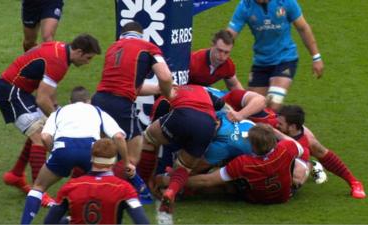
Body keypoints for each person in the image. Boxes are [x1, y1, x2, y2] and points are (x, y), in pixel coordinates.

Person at [0, 34, 101, 206]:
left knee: (42, 129)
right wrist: (59, 119)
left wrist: (56, 107)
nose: (87, 63)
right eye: (88, 58)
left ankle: (15, 175)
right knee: (38, 135)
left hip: (20, 90)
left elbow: (49, 87)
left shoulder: (60, 49)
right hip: (11, 92)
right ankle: (39, 192)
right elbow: (42, 99)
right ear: (79, 52)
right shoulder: (59, 62)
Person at [20, 86, 129, 224]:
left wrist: (55, 153)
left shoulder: (58, 112)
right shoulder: (97, 110)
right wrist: (126, 162)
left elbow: (45, 137)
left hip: (63, 149)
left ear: (70, 102)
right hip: (90, 150)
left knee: (38, 187)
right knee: (104, 187)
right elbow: (119, 137)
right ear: (89, 101)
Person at [157, 124, 308, 204]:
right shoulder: (286, 148)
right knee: (302, 167)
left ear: (253, 146)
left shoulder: (244, 163)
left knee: (221, 182)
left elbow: (206, 181)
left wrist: (170, 181)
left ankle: (182, 191)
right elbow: (300, 148)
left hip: (256, 198)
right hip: (283, 196)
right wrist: (273, 132)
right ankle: (309, 172)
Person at [92, 21, 173, 166]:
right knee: (133, 153)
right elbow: (166, 77)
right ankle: (121, 186)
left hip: (99, 101)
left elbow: (128, 85)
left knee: (102, 150)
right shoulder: (148, 47)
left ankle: (91, 183)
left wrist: (157, 89)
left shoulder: (113, 48)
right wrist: (169, 94)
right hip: (121, 104)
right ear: (141, 35)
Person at [138, 84, 222, 214]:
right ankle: (171, 191)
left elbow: (156, 125)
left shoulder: (167, 94)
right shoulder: (204, 91)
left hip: (183, 116)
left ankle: (142, 185)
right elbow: (220, 103)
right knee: (185, 166)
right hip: (207, 125)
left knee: (149, 139)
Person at [227, 0, 324, 110]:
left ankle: (288, 125)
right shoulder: (246, 5)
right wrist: (217, 52)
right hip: (261, 62)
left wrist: (316, 57)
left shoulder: (286, 2)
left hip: (285, 59)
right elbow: (230, 35)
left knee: (273, 104)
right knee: (252, 108)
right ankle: (284, 124)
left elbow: (303, 28)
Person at [44, 138, 150, 224]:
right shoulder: (124, 189)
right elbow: (142, 221)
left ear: (91, 158)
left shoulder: (70, 186)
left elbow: (49, 222)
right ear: (114, 161)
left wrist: (67, 221)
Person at [277, 105, 366, 198]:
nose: (276, 125)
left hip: (292, 172)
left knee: (296, 178)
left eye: (280, 124)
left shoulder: (303, 147)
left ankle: (354, 182)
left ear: (292, 127)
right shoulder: (277, 125)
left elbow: (297, 180)